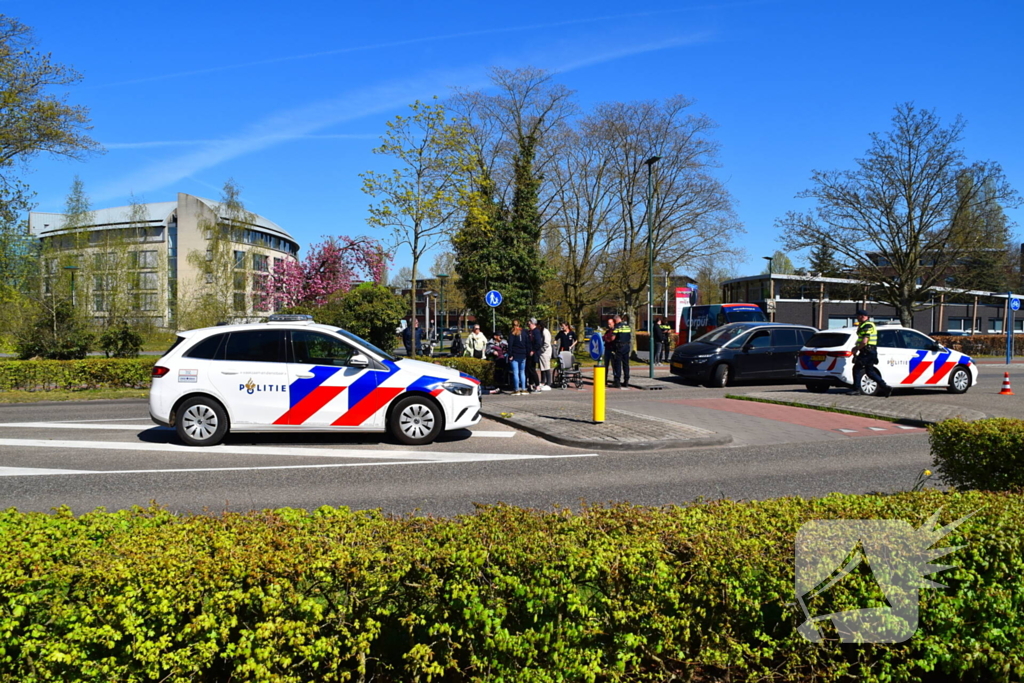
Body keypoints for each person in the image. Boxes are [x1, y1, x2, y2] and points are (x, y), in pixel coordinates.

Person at [853, 308, 891, 397]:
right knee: (869, 371)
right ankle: (885, 387)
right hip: (870, 351)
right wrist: (857, 346)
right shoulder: (865, 324)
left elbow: (864, 341)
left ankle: (856, 389)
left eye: (858, 316)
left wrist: (857, 348)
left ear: (862, 316)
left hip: (867, 351)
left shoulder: (867, 325)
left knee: (857, 368)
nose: (857, 318)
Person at [507, 320, 532, 396]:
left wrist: (510, 354)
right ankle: (524, 389)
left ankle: (517, 389)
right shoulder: (524, 332)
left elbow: (510, 345)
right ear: (519, 324)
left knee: (515, 373)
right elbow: (528, 343)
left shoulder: (512, 333)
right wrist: (527, 353)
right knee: (522, 372)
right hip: (523, 354)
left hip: (515, 355)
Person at [611, 314, 632, 389]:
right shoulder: (627, 326)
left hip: (619, 347)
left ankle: (617, 382)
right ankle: (626, 381)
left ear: (615, 320)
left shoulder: (617, 327)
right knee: (626, 364)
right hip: (627, 346)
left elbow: (613, 338)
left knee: (618, 364)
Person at [528, 318, 544, 392]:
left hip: (534, 353)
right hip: (529, 353)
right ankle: (530, 384)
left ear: (533, 323)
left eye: (530, 324)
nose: (528, 325)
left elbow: (538, 343)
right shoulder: (530, 331)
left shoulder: (536, 332)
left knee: (532, 369)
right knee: (529, 369)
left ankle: (537, 386)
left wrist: (533, 350)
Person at [536, 321, 553, 391]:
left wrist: (541, 350)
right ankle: (543, 381)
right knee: (542, 367)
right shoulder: (541, 331)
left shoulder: (545, 332)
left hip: (545, 352)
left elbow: (547, 343)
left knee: (546, 367)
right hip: (542, 352)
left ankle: (548, 383)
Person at [602, 317, 617, 385]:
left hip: (612, 350)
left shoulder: (615, 331)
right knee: (606, 365)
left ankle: (615, 380)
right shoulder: (608, 331)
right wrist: (606, 338)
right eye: (608, 324)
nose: (608, 325)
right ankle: (605, 380)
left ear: (613, 323)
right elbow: (604, 337)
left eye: (610, 324)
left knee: (614, 365)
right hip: (607, 349)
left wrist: (607, 339)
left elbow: (611, 339)